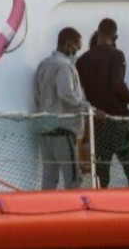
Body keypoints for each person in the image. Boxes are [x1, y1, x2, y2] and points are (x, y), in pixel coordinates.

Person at [76, 18, 129, 188]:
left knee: (101, 177)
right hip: (120, 123)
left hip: (97, 124)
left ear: (97, 34)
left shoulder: (82, 60)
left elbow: (79, 93)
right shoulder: (117, 55)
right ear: (115, 37)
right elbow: (118, 87)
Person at [34, 27, 103, 190]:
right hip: (62, 130)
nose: (76, 53)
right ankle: (73, 213)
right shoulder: (65, 66)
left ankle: (45, 212)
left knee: (49, 178)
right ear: (67, 44)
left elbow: (37, 96)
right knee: (73, 178)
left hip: (44, 128)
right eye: (76, 48)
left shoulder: (43, 65)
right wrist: (89, 108)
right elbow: (67, 94)